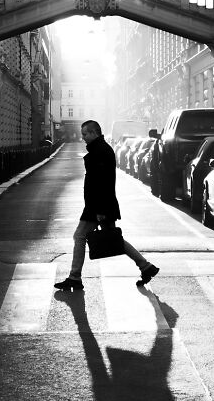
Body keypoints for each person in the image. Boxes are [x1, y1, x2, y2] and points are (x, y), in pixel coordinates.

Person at [54, 119, 159, 291]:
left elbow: (103, 183)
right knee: (114, 239)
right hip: (100, 205)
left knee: (79, 236)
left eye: (85, 134)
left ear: (95, 133)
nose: (83, 138)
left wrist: (101, 210)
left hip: (99, 206)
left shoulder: (101, 151)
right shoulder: (100, 149)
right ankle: (146, 267)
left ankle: (74, 277)